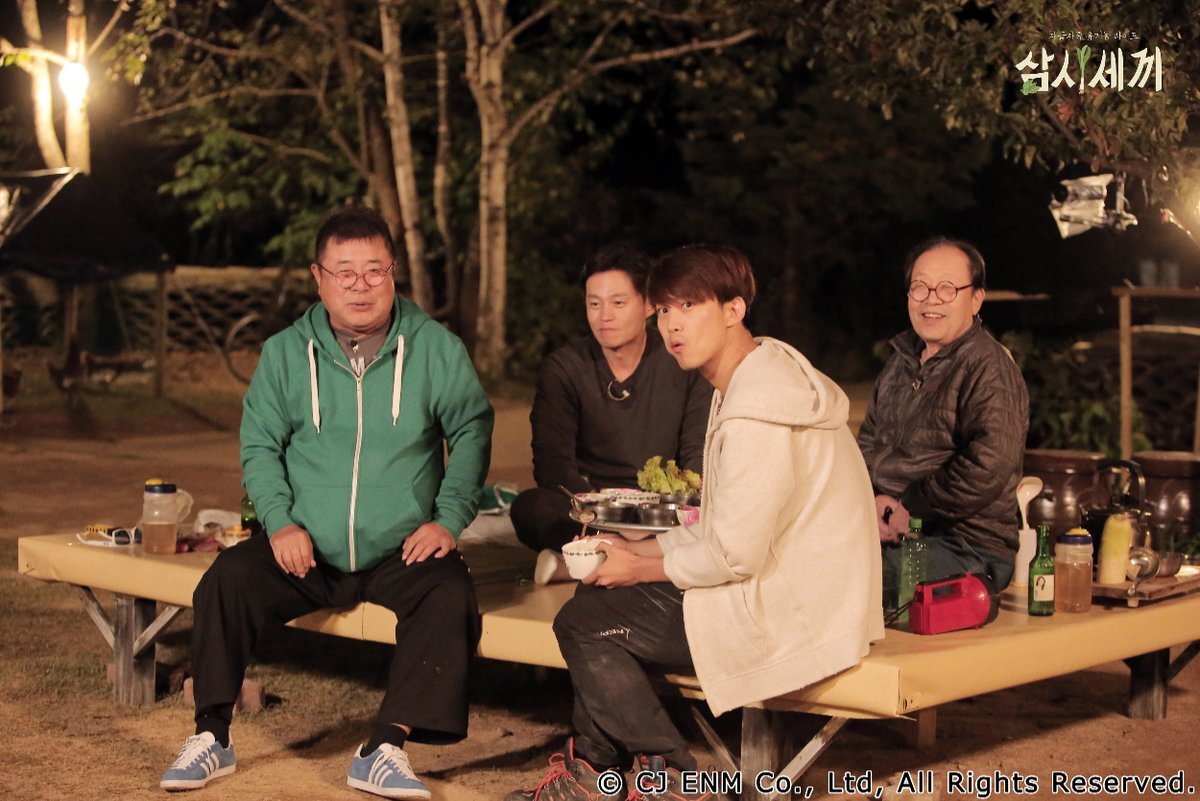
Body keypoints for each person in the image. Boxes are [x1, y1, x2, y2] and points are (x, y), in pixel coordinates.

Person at [507, 245, 883, 801]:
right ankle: (595, 768)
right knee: (597, 602)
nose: (672, 324)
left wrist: (638, 568)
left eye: (689, 305)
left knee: (584, 624)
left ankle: (671, 780)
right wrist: (633, 550)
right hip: (795, 589)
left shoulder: (757, 409)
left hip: (790, 609)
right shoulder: (752, 378)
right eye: (664, 309)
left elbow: (734, 554)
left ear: (733, 310)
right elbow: (720, 523)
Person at [160, 207, 494, 798]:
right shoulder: (286, 353)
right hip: (306, 546)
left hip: (400, 546)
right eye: (345, 272)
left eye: (374, 270)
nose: (360, 286)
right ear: (319, 278)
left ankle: (384, 748)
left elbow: (471, 430)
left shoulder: (435, 348)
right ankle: (212, 734)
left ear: (393, 272)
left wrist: (447, 520)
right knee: (227, 579)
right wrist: (280, 523)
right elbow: (260, 444)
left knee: (448, 591)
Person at [509, 243, 711, 581]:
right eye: (594, 304)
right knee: (530, 508)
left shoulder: (682, 361)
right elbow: (552, 464)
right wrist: (603, 512)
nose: (605, 316)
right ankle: (616, 550)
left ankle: (587, 559)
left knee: (714, 510)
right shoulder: (565, 368)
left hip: (663, 514)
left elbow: (697, 459)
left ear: (648, 305)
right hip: (593, 511)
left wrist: (661, 510)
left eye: (618, 303)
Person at [857, 237, 1029, 608]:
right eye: (919, 286)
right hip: (891, 530)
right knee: (795, 552)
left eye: (947, 288)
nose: (930, 299)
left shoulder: (987, 367)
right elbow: (868, 442)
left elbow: (989, 464)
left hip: (967, 547)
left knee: (846, 577)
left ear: (976, 299)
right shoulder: (900, 362)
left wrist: (911, 507)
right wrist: (872, 499)